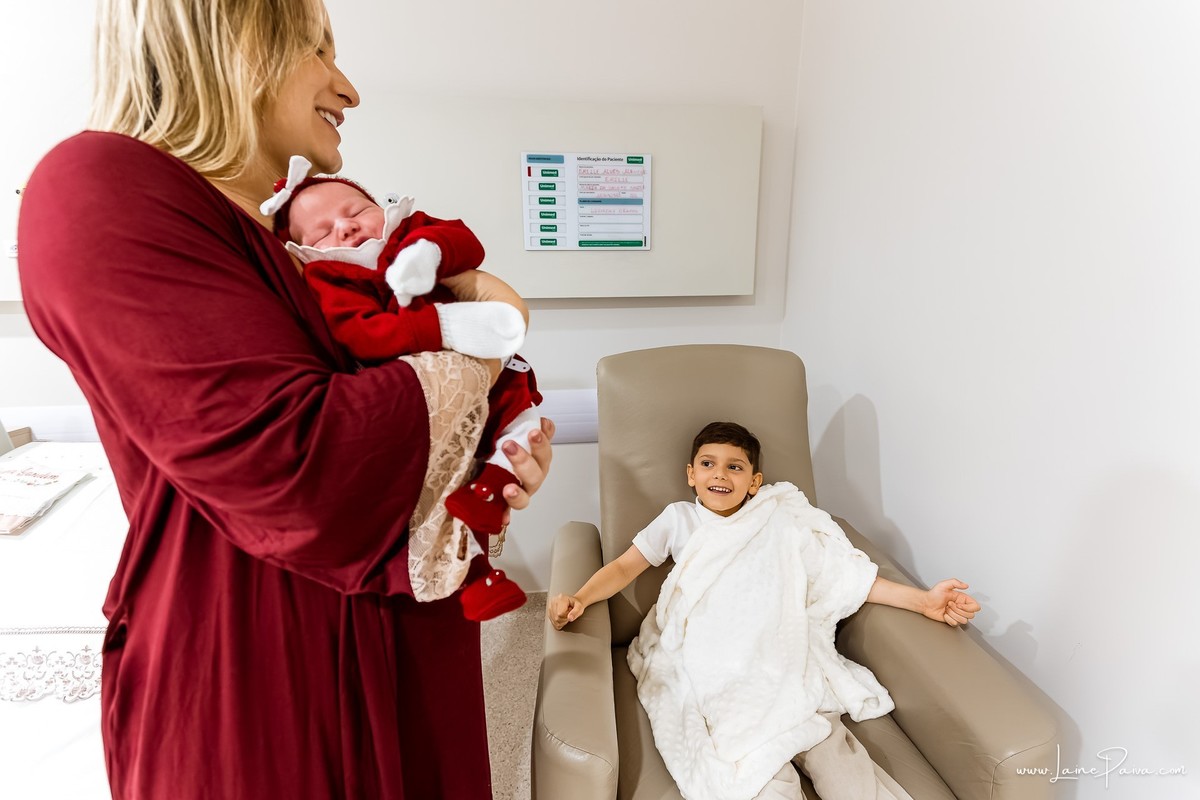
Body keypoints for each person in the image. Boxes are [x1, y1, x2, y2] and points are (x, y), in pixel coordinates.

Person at [16, 1, 552, 797]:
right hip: (258, 672)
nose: (348, 88)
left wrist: (482, 458)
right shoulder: (96, 185)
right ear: (233, 43)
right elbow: (309, 468)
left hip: (399, 634)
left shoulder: (285, 245)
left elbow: (379, 413)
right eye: (316, 50)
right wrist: (480, 335)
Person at [547, 422, 977, 800]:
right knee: (756, 766)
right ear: (691, 475)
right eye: (708, 464)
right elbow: (625, 566)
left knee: (833, 754)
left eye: (734, 467)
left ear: (754, 482)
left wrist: (923, 601)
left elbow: (843, 577)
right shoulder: (679, 519)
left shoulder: (778, 521)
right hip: (714, 659)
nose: (720, 474)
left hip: (777, 655)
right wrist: (581, 598)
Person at [258, 166, 543, 620]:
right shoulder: (330, 281)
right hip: (425, 401)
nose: (346, 227)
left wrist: (428, 251)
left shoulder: (411, 231)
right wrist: (440, 326)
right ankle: (476, 575)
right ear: (304, 252)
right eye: (323, 232)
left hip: (495, 377)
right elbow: (362, 334)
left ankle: (491, 490)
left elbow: (464, 240)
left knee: (525, 425)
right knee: (435, 501)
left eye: (357, 211)